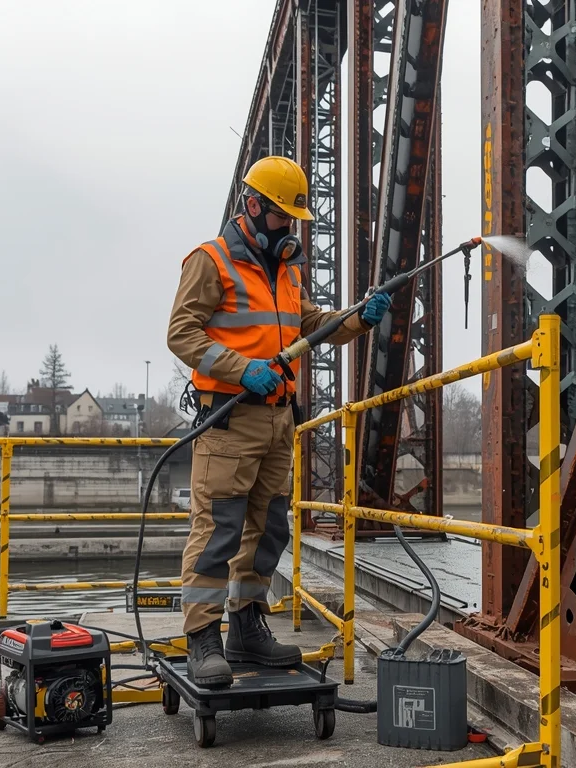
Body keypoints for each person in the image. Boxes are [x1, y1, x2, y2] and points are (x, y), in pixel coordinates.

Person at [166, 155, 391, 687]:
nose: (289, 226)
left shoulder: (285, 268)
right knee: (217, 529)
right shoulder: (210, 260)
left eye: (294, 218)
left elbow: (306, 324)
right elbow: (181, 333)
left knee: (268, 528)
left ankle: (246, 626)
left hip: (276, 421)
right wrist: (243, 370)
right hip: (228, 420)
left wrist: (356, 317)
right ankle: (203, 638)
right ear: (252, 206)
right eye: (281, 216)